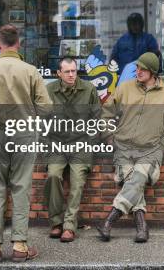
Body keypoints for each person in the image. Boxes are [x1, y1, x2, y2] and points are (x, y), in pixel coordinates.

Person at [0, 24, 52, 262]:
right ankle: (20, 246)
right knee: (21, 187)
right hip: (24, 132)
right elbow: (46, 108)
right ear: (19, 43)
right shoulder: (30, 71)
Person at [97, 52, 164, 243]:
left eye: (143, 69)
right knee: (134, 183)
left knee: (137, 178)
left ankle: (109, 220)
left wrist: (161, 148)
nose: (138, 71)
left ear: (153, 72)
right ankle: (142, 228)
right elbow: (106, 113)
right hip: (123, 149)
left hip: (150, 151)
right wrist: (110, 138)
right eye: (138, 67)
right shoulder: (125, 88)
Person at [44, 57, 100, 242]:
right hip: (57, 145)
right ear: (59, 73)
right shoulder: (49, 90)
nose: (71, 75)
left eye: (74, 71)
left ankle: (69, 226)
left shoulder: (89, 89)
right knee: (53, 175)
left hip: (81, 145)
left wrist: (90, 145)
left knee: (77, 182)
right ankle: (56, 223)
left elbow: (97, 119)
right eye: (67, 71)